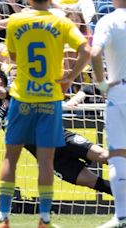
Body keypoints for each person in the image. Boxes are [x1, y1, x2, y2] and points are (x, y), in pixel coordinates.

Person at [0, 0, 92, 226]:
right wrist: (70, 78)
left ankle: (3, 219)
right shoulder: (61, 21)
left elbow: (14, 57)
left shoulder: (16, 20)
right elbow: (86, 49)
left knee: (10, 157)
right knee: (46, 161)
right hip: (50, 99)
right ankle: (44, 219)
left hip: (22, 98)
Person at [0, 69, 112, 196]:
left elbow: (1, 93)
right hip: (48, 158)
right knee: (94, 183)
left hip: (60, 138)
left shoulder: (16, 90)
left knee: (105, 156)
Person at [91, 0, 126, 227]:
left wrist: (102, 84)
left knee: (118, 156)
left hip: (119, 93)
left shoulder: (109, 20)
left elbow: (94, 52)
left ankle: (121, 216)